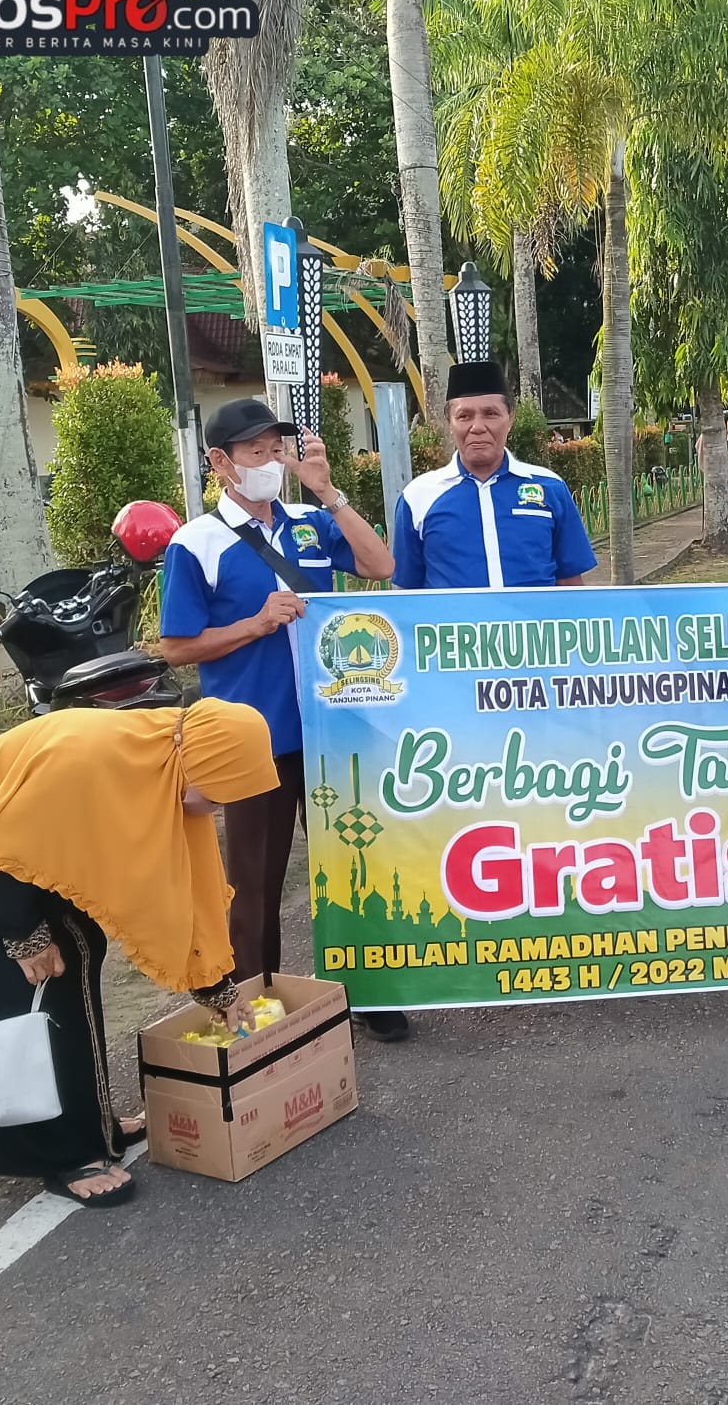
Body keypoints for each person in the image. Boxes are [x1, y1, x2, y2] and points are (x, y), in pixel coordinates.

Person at [0, 701, 278, 1208]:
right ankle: (64, 1153)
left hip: (11, 861)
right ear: (200, 762)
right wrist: (24, 936)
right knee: (33, 987)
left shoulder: (159, 759)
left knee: (78, 954)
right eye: (216, 795)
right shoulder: (91, 759)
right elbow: (7, 857)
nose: (217, 811)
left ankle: (90, 1122)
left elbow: (180, 895)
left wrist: (217, 989)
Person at [159, 398, 407, 1042]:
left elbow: (382, 567)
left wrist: (327, 490)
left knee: (358, 867)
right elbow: (178, 646)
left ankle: (372, 993)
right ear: (221, 463)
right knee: (254, 882)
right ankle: (254, 1005)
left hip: (337, 730)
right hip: (251, 739)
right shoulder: (197, 543)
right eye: (256, 451)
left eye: (278, 449)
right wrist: (255, 623)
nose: (272, 461)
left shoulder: (307, 522)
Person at [392, 360, 597, 589]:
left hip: (533, 624)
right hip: (457, 625)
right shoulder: (418, 497)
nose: (478, 427)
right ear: (449, 423)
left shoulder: (550, 488)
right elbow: (408, 593)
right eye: (464, 416)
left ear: (510, 419)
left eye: (490, 414)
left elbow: (571, 583)